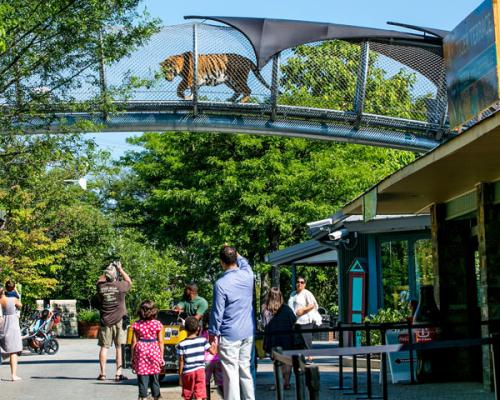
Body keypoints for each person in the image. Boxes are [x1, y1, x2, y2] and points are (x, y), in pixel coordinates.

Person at [209, 245, 255, 400]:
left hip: (229, 334)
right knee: (245, 370)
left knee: (231, 373)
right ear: (236, 259)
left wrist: (213, 333)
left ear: (221, 262)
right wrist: (237, 254)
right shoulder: (248, 275)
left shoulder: (221, 284)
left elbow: (217, 312)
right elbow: (245, 262)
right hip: (247, 332)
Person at [96, 260, 132, 381]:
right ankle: (118, 373)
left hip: (105, 321)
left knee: (104, 347)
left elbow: (99, 280)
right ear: (116, 276)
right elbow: (129, 281)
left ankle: (102, 374)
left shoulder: (100, 287)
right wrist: (120, 269)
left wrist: (108, 270)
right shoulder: (120, 286)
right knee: (119, 347)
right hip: (119, 321)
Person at [262, 287, 296, 390]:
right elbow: (294, 320)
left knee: (276, 362)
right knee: (288, 362)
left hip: (273, 339)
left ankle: (277, 384)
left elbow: (265, 325)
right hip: (287, 338)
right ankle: (286, 383)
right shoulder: (286, 308)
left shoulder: (265, 308)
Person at [131, 300, 164, 400]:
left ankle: (143, 397)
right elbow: (161, 342)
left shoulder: (137, 324)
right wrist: (161, 357)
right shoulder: (158, 324)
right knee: (155, 378)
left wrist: (132, 357)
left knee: (142, 378)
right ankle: (156, 397)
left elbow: (133, 342)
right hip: (154, 350)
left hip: (141, 351)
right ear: (154, 311)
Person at [177, 316, 215, 400]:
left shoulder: (181, 344)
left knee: (188, 393)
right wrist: (215, 345)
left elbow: (181, 361)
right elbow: (212, 352)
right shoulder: (203, 340)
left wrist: (180, 377)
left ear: (185, 328)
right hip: (200, 371)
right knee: (199, 394)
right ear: (198, 328)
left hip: (188, 372)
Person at [288, 276, 318, 361]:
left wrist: (303, 310)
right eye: (298, 282)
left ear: (305, 284)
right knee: (297, 342)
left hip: (305, 321)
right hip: (295, 321)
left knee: (306, 340)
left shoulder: (306, 293)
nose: (299, 284)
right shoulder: (293, 294)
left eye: (302, 282)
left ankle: (310, 359)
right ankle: (299, 359)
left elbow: (312, 305)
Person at [0, 285, 23, 381]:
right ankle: (13, 375)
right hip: (12, 324)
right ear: (3, 291)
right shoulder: (13, 299)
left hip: (2, 324)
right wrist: (16, 292)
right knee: (13, 351)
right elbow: (20, 305)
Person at [201, 313, 223, 397]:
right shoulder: (218, 332)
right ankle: (226, 397)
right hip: (218, 359)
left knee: (205, 383)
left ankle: (207, 398)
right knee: (221, 383)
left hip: (206, 360)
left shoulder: (203, 332)